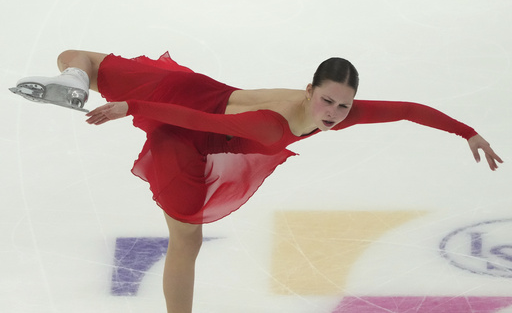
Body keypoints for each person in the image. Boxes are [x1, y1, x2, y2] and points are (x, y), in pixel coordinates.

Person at [13, 50, 503, 313]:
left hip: (192, 89)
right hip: (184, 128)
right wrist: (132, 108)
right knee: (187, 237)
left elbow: (408, 111)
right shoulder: (272, 123)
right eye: (326, 101)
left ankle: (74, 85)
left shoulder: (339, 112)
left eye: (343, 106)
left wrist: (468, 132)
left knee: (78, 58)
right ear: (309, 90)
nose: (333, 115)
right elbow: (201, 124)